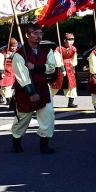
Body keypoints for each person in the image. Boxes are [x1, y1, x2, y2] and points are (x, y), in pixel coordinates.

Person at [10, 23, 58, 154]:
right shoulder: (19, 55)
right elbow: (22, 75)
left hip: (43, 88)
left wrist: (36, 67)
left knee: (48, 116)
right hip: (26, 90)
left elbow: (51, 67)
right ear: (27, 35)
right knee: (23, 118)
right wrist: (31, 92)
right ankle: (16, 141)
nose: (38, 36)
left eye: (40, 33)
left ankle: (44, 144)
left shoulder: (46, 50)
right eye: (35, 33)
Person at [51, 32, 79, 108]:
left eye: (72, 39)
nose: (71, 41)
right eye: (69, 40)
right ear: (64, 40)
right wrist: (62, 69)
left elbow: (74, 60)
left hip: (70, 68)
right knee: (56, 84)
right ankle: (47, 101)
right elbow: (57, 60)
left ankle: (71, 102)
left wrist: (73, 68)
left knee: (71, 85)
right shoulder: (58, 49)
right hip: (60, 68)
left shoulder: (73, 49)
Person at [0, 38, 19, 105]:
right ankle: (9, 101)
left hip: (14, 71)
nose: (14, 48)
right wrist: (1, 72)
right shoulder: (2, 53)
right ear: (9, 46)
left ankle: (0, 97)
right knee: (7, 86)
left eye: (15, 46)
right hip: (5, 71)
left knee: (8, 86)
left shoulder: (18, 51)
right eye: (12, 46)